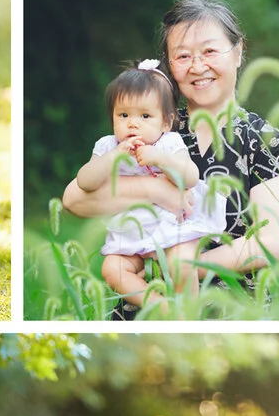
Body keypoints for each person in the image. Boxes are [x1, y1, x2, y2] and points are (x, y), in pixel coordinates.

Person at [58, 0, 279, 319]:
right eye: (183, 56)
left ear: (238, 52)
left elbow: (273, 242)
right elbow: (74, 199)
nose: (197, 67)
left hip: (232, 309)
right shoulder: (154, 126)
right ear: (169, 66)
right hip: (147, 308)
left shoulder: (263, 139)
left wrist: (186, 266)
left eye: (210, 52)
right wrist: (156, 191)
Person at [70, 59, 208, 314]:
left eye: (145, 116)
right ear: (112, 117)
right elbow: (85, 182)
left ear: (166, 122)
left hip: (173, 225)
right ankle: (161, 307)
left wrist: (159, 159)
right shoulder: (107, 146)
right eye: (123, 115)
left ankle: (187, 315)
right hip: (130, 232)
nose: (133, 124)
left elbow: (190, 177)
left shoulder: (168, 143)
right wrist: (113, 159)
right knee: (112, 269)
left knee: (183, 264)